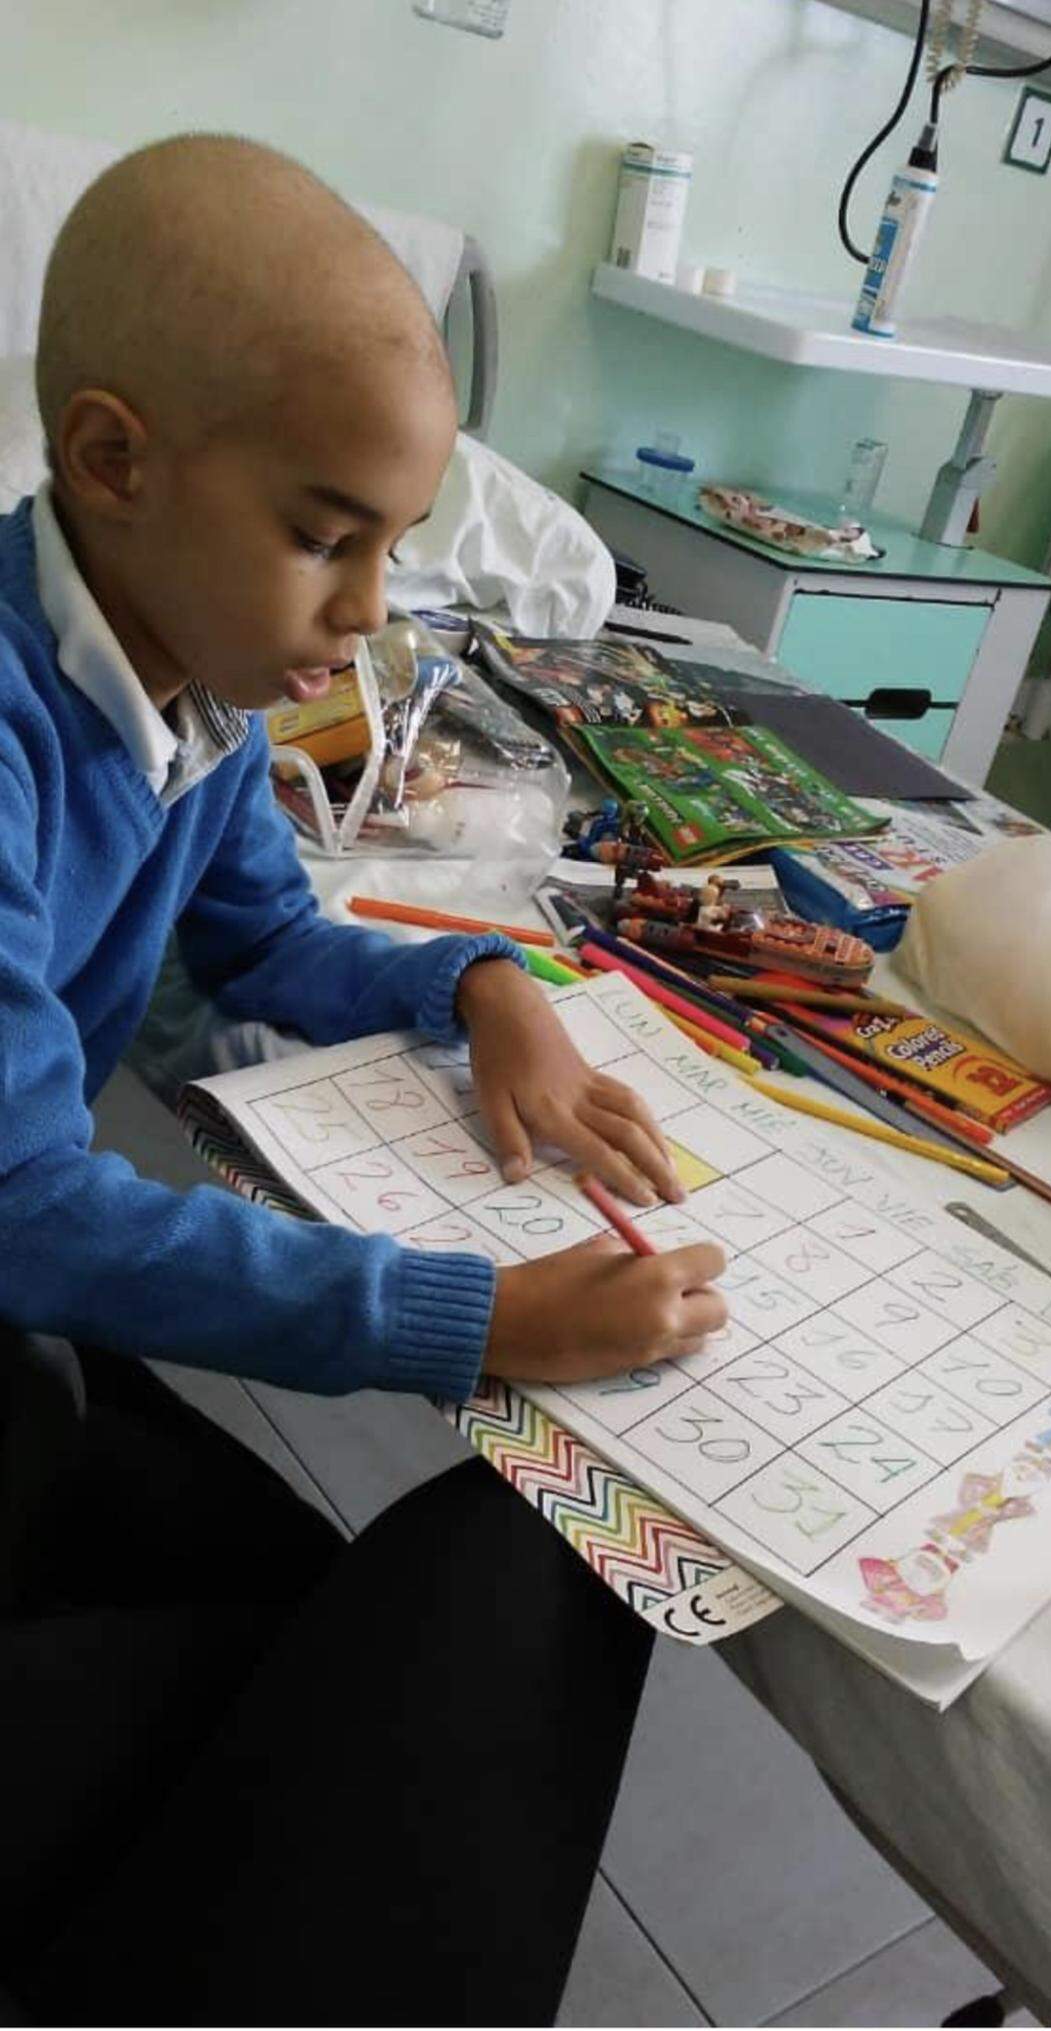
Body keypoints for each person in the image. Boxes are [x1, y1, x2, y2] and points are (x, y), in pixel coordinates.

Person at [0, 134, 728, 2026]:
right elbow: (22, 1204)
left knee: (318, 1607)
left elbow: (266, 941)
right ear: (111, 460)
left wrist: (483, 981)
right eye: (330, 537)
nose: (368, 614)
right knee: (316, 1659)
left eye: (395, 546)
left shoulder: (201, 688)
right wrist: (466, 1315)